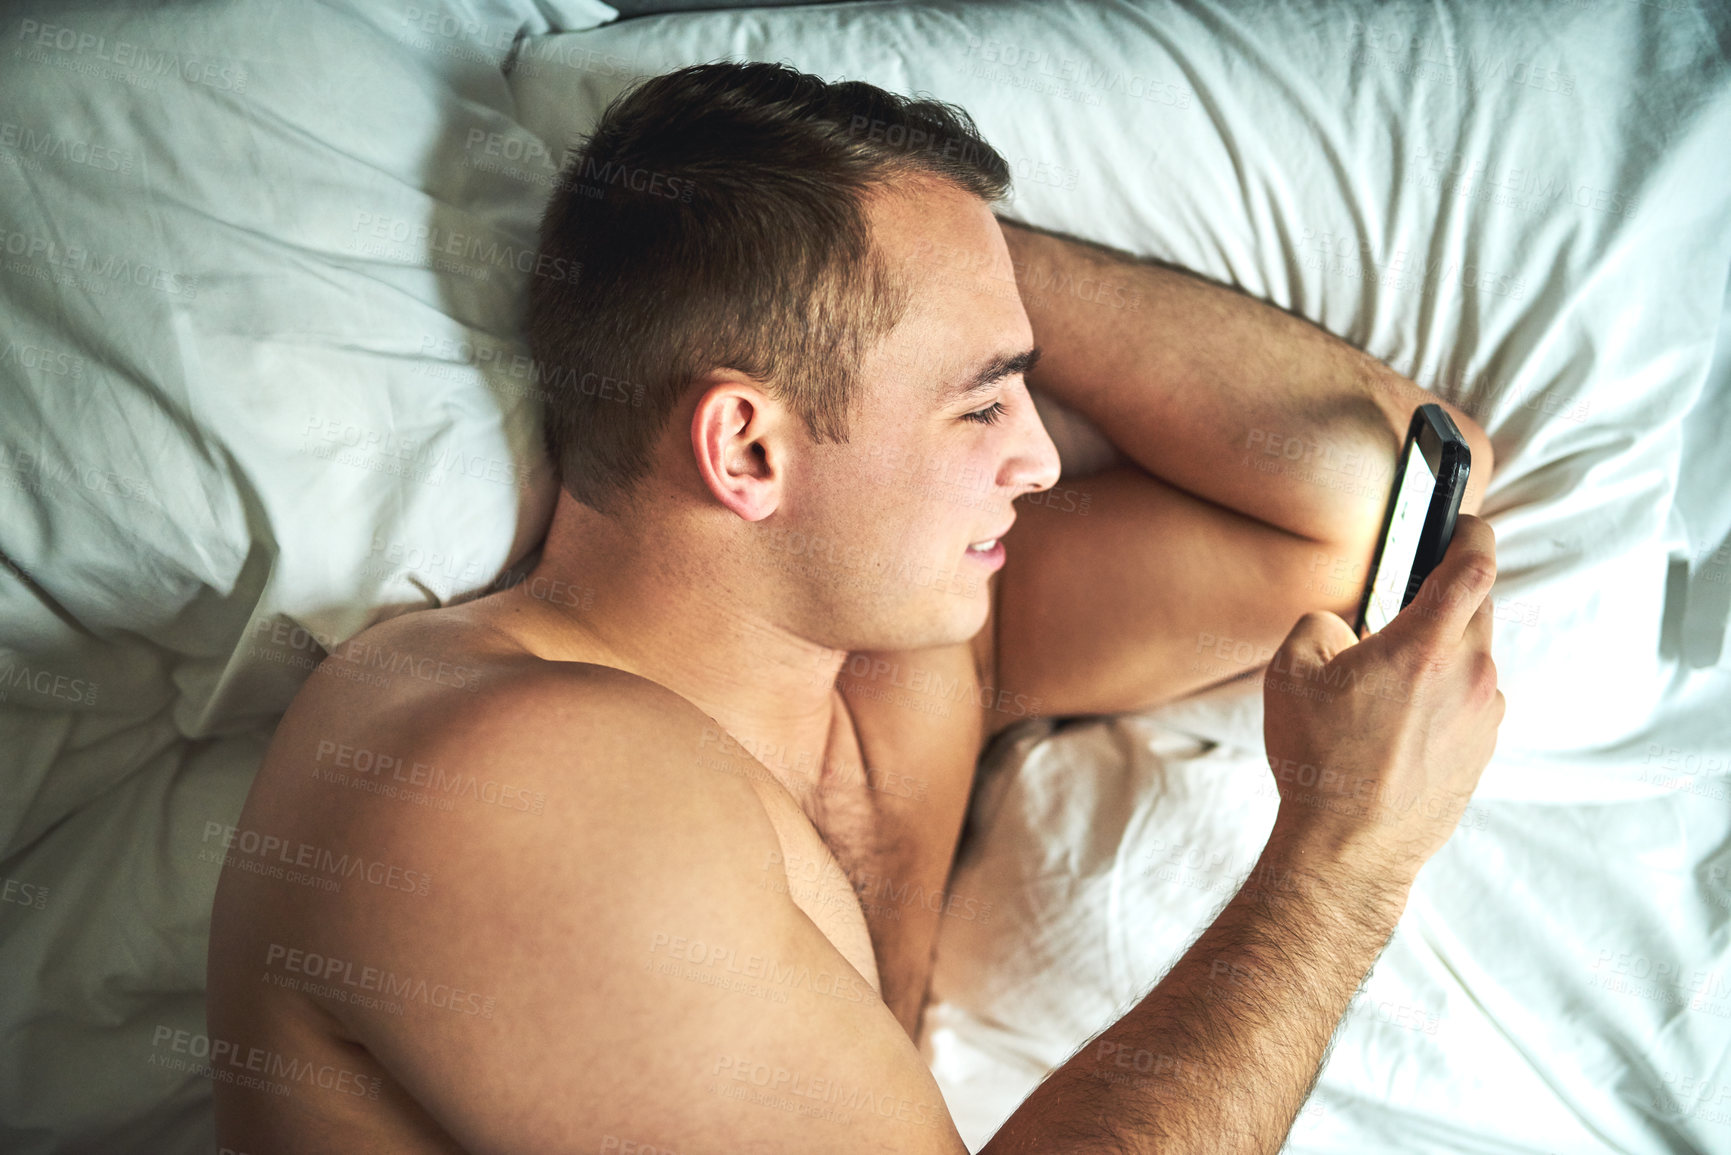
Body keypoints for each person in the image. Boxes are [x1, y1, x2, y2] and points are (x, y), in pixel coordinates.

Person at [207, 59, 1503, 1153]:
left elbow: (1374, 486)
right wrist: (1344, 860)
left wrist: (934, 270)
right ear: (750, 452)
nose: (1043, 459)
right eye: (985, 400)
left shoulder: (894, 659)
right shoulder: (501, 777)